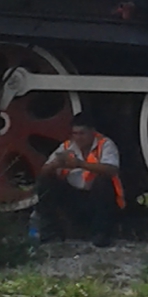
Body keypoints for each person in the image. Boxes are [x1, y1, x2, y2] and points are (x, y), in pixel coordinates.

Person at [39, 106, 122, 247]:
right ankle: (50, 230)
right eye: (75, 134)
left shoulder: (105, 145)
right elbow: (43, 172)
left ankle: (101, 233)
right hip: (73, 197)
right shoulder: (67, 147)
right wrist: (55, 164)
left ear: (92, 132)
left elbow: (112, 169)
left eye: (82, 133)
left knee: (103, 182)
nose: (78, 138)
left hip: (96, 198)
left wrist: (80, 164)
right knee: (46, 182)